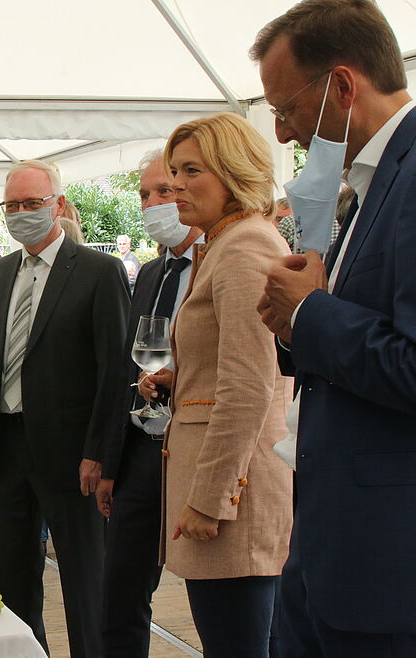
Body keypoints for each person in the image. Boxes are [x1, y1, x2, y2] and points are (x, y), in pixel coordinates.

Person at [252, 1, 416, 654]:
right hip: (332, 547)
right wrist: (298, 327)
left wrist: (310, 312)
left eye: (287, 109)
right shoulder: (374, 182)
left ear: (343, 85)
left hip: (384, 566)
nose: (284, 133)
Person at [137, 113, 294, 658]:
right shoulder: (220, 242)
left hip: (236, 497)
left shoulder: (245, 246)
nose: (175, 184)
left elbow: (250, 387)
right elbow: (231, 360)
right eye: (174, 170)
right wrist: (181, 376)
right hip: (225, 487)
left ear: (233, 172)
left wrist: (209, 500)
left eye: (190, 171)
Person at [0, 160, 129, 657]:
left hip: (73, 454)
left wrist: (100, 452)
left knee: (84, 580)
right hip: (7, 446)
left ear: (56, 205)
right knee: (11, 580)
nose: (20, 214)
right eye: (11, 206)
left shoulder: (99, 271)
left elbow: (114, 372)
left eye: (31, 204)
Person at [96, 149, 203, 658]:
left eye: (164, 190)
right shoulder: (153, 273)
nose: (154, 203)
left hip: (200, 452)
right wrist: (111, 464)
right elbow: (125, 371)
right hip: (143, 450)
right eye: (144, 195)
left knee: (217, 603)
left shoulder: (224, 261)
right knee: (119, 593)